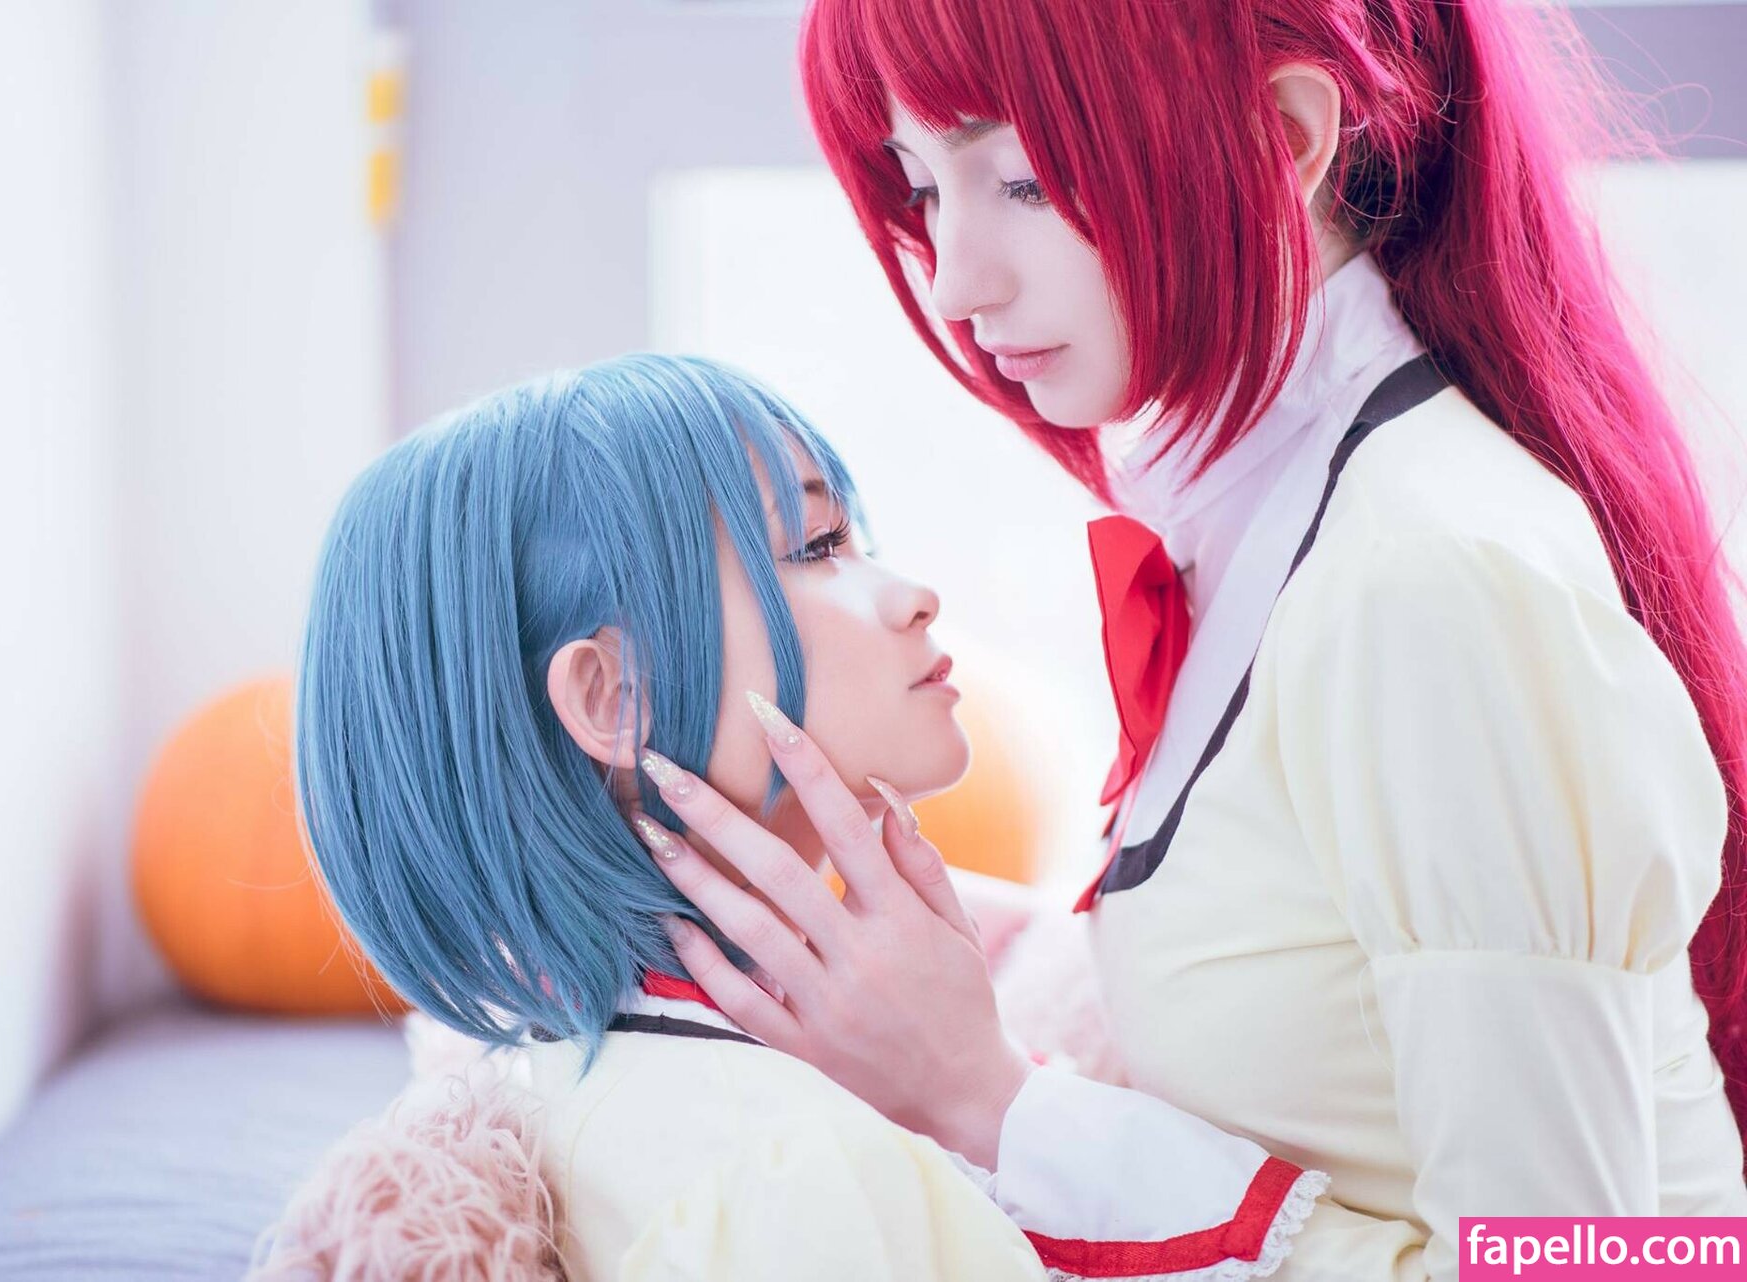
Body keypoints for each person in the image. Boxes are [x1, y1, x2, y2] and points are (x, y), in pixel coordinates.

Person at [637, 0, 1747, 1278]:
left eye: (1022, 179)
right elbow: (1319, 999)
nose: (954, 280)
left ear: (1286, 138)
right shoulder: (1274, 523)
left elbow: (1581, 1265)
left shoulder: (1426, 574)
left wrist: (990, 1099)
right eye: (923, 187)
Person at [293, 354, 1285, 1280]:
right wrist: (983, 1091)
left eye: (855, 541)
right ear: (615, 697)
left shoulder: (577, 1085)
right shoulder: (799, 1169)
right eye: (816, 547)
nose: (915, 595)